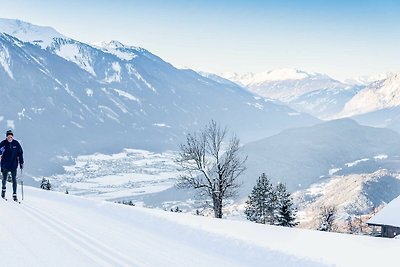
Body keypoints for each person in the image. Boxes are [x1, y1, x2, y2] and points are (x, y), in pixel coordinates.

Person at [0, 130, 24, 201]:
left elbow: (20, 153)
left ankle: (14, 194)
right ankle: (3, 191)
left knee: (14, 180)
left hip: (13, 165)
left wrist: (21, 162)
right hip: (5, 164)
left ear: (12, 137)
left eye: (11, 137)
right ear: (6, 136)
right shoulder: (3, 143)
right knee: (4, 179)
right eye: (8, 137)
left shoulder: (16, 143)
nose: (10, 138)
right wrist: (1, 151)